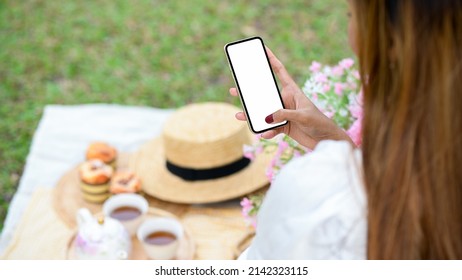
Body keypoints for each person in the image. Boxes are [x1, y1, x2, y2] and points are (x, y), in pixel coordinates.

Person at [230, 0, 462, 259]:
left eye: (352, 14)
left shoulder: (320, 201)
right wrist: (337, 142)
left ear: (392, 42)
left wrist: (341, 164)